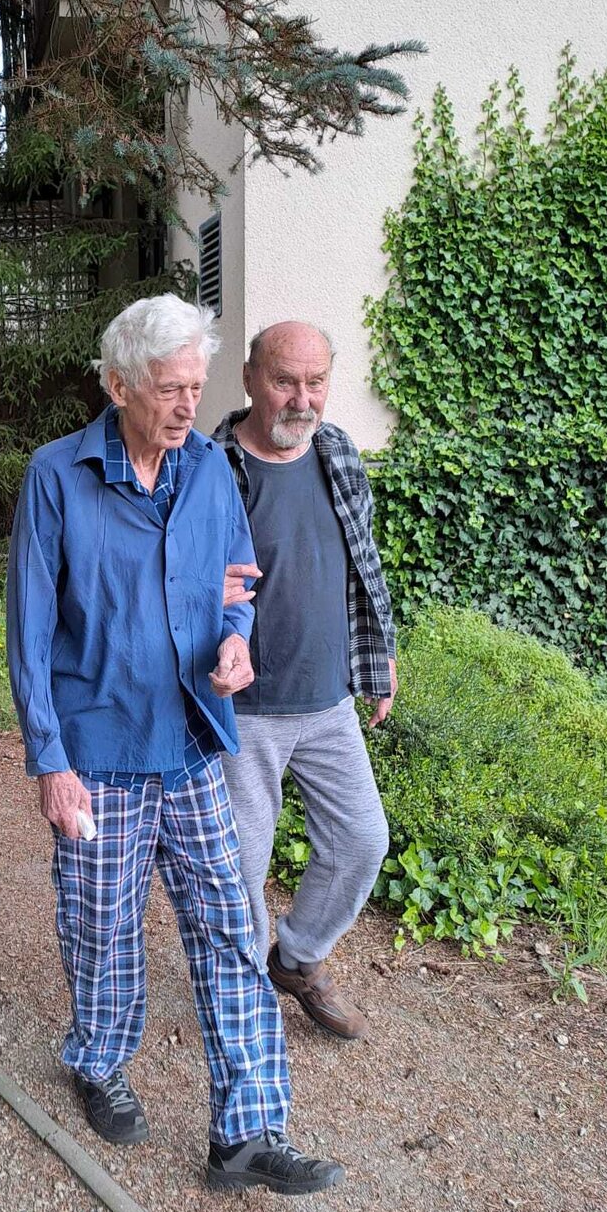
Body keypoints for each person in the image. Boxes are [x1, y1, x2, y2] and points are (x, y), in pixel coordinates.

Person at [7, 293, 343, 1196]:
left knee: (232, 930)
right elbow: (29, 633)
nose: (190, 404)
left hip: (193, 744)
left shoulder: (208, 471)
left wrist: (235, 642)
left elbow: (237, 584)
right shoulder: (58, 475)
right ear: (119, 386)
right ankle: (100, 1061)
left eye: (197, 385)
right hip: (98, 751)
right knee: (103, 927)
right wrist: (50, 761)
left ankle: (249, 1132)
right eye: (170, 388)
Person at [214, 321, 397, 1042]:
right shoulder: (208, 466)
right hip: (244, 710)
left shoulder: (338, 450)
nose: (302, 398)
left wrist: (378, 657)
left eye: (315, 382)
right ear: (250, 379)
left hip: (329, 703)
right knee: (240, 867)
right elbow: (171, 577)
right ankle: (242, 992)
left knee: (361, 840)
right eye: (285, 380)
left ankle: (296, 959)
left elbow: (363, 562)